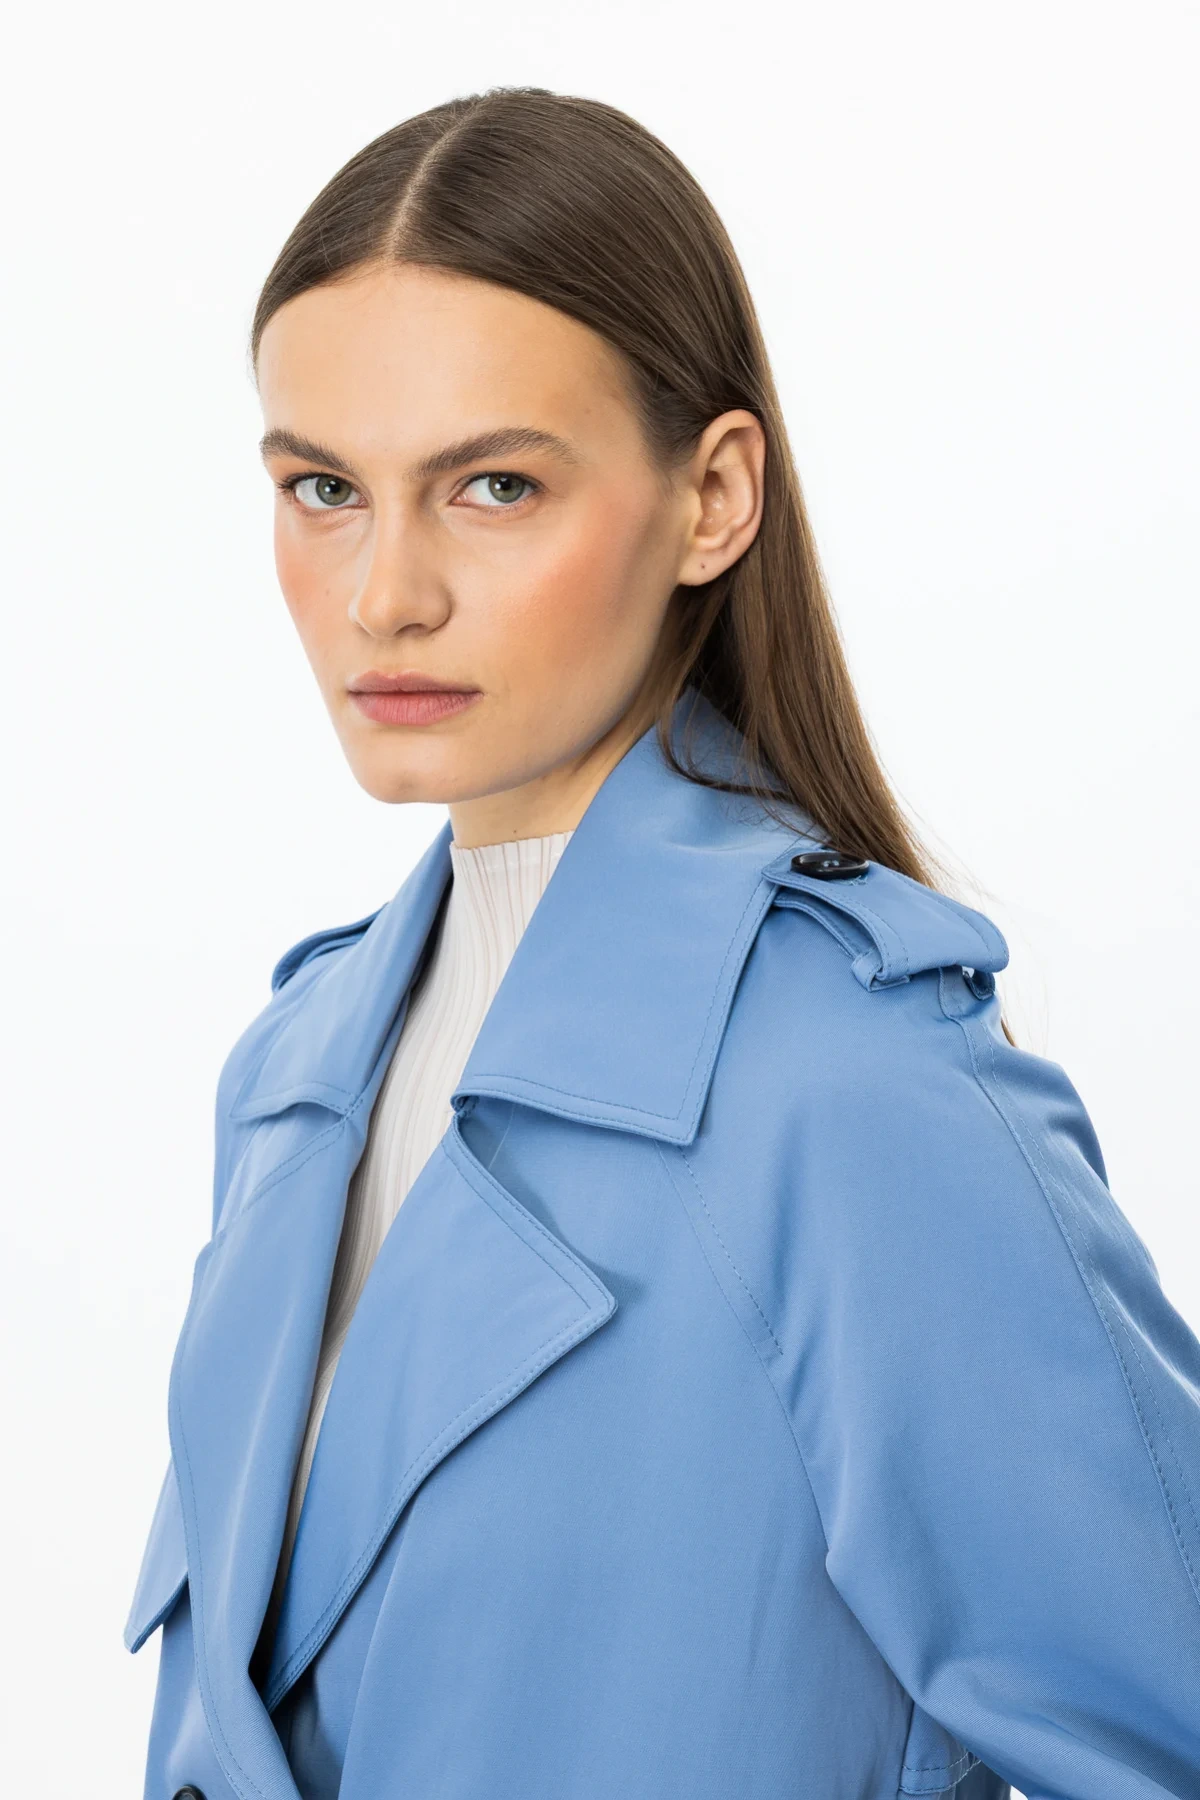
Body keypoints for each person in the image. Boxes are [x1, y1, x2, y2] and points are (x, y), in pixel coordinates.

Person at [125, 87, 1200, 1800]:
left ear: (713, 497)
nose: (385, 595)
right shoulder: (294, 1070)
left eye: (491, 485)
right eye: (323, 486)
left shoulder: (846, 1085)